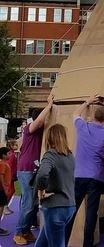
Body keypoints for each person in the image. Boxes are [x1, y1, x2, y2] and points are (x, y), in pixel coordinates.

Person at [65, 95, 104, 247]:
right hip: (96, 176)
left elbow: (75, 114)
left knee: (72, 210)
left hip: (79, 174)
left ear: (93, 116)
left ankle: (64, 241)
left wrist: (88, 102)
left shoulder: (83, 127)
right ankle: (88, 243)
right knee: (91, 213)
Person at [14, 95, 54, 246]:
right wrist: (49, 105)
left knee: (33, 201)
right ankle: (19, 232)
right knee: (28, 202)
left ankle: (25, 231)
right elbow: (37, 121)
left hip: (33, 169)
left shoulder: (39, 132)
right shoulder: (29, 129)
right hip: (26, 169)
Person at [33, 124, 76, 247]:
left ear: (49, 138)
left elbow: (41, 175)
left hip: (55, 206)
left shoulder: (50, 155)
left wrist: (41, 191)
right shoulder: (70, 156)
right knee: (42, 243)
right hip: (69, 205)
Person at [0, 147, 11, 236]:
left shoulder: (4, 163)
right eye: (8, 154)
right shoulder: (2, 164)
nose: (10, 155)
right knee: (0, 208)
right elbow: (1, 177)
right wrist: (5, 189)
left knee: (2, 208)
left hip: (3, 189)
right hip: (1, 190)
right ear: (3, 155)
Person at [5, 139, 18, 215]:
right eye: (15, 145)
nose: (17, 146)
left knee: (12, 191)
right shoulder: (11, 154)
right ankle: (5, 207)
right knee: (10, 191)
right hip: (9, 176)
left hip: (12, 176)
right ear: (11, 146)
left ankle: (6, 206)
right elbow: (9, 165)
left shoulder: (12, 154)